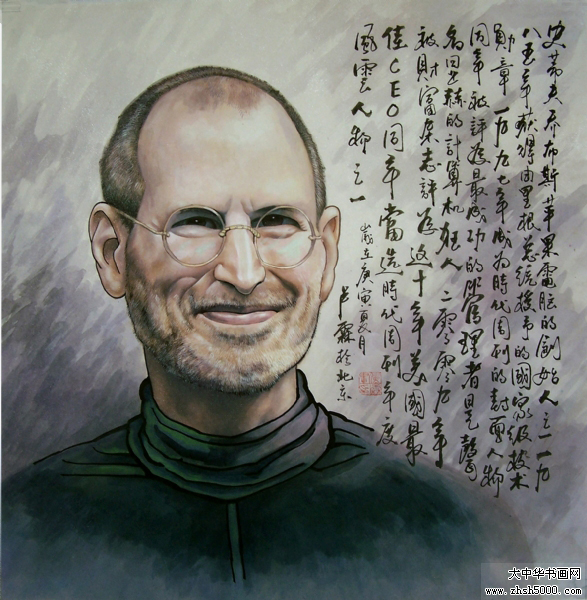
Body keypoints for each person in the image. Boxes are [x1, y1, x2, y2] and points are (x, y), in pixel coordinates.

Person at [3, 67, 530, 600]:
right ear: (113, 253)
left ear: (326, 253)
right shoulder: (19, 535)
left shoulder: (473, 533)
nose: (244, 272)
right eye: (195, 221)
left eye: (278, 221)